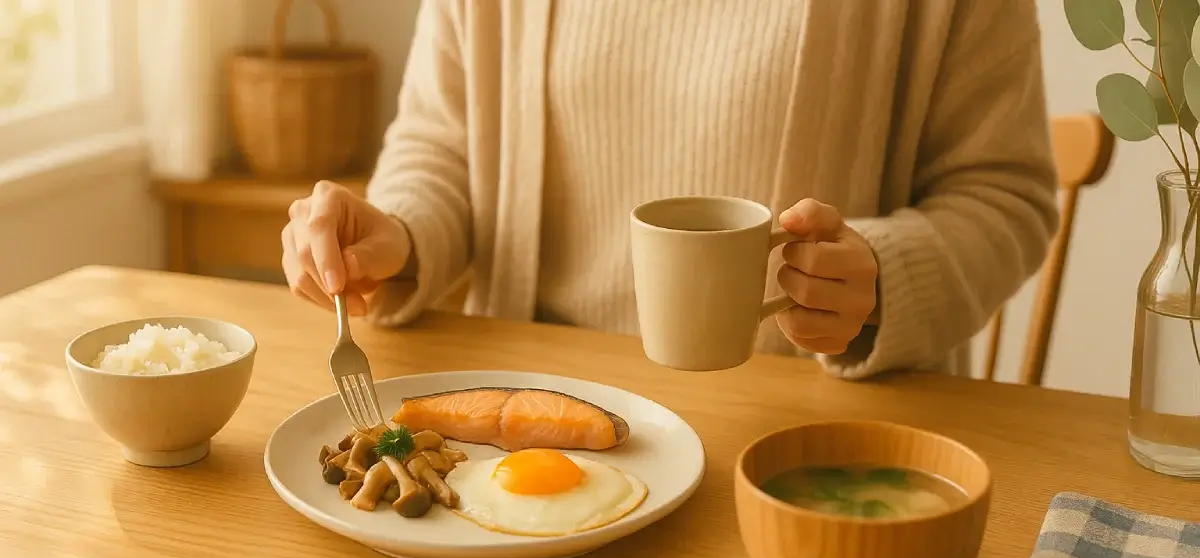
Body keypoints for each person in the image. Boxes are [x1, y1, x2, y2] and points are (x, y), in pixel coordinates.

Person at [281, 0, 1057, 380]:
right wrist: (401, 232)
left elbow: (1003, 195)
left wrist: (882, 278)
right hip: (533, 437)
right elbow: (441, 142)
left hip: (802, 450)